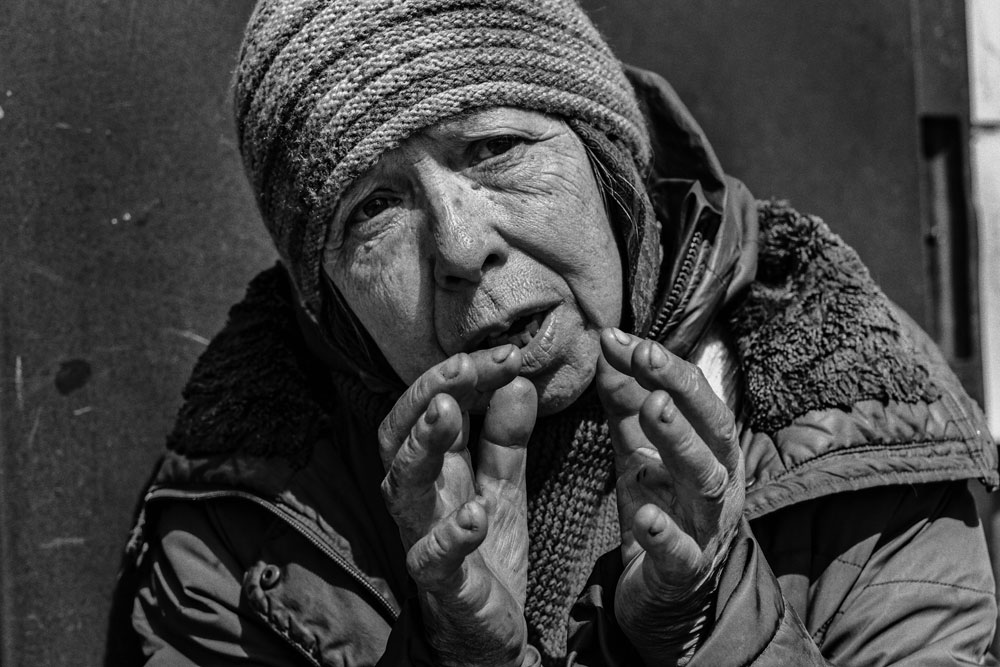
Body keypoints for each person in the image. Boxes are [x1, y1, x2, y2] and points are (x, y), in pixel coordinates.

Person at [105, 0, 999, 665]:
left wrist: (706, 620)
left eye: (492, 148)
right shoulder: (235, 535)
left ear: (607, 166)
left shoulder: (854, 437)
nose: (460, 243)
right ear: (328, 298)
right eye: (373, 208)